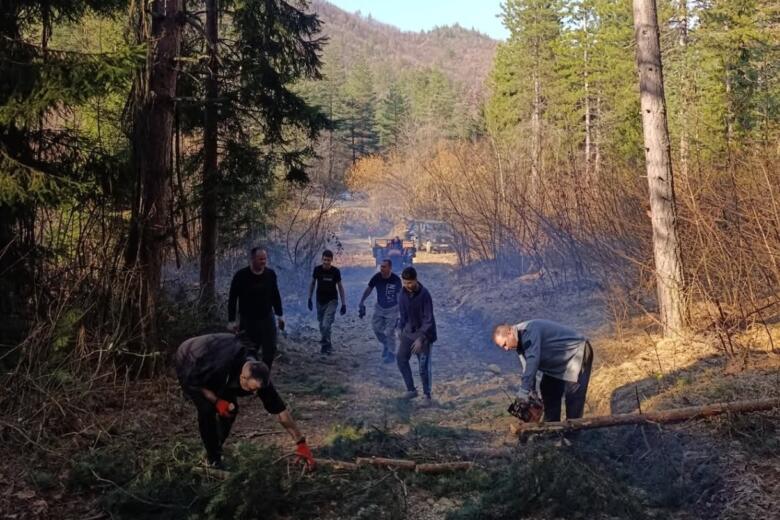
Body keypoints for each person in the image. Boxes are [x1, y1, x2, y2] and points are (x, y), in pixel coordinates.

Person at [175, 333, 315, 470]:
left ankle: (215, 447)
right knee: (207, 410)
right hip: (190, 360)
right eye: (251, 389)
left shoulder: (258, 374)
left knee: (231, 410)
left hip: (220, 367)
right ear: (242, 378)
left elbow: (280, 411)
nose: (254, 393)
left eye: (256, 390)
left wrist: (301, 443)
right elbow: (196, 383)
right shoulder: (219, 366)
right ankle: (213, 460)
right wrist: (217, 401)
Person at [492, 319, 594, 422]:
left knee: (573, 394)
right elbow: (527, 368)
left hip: (577, 352)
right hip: (558, 361)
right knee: (548, 388)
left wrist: (523, 391)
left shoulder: (528, 331)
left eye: (505, 344)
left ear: (509, 333)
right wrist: (531, 392)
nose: (506, 349)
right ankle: (552, 428)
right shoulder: (518, 344)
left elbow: (533, 361)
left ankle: (574, 431)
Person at [227, 247, 284, 369]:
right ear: (252, 259)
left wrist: (280, 315)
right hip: (248, 320)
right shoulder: (241, 276)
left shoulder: (270, 274)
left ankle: (265, 374)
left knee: (270, 349)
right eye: (260, 259)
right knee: (249, 350)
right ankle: (250, 375)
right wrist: (231, 320)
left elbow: (275, 295)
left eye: (265, 259)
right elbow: (232, 298)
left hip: (267, 318)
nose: (263, 262)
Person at [397, 266, 437, 406]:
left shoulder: (425, 294)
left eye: (410, 282)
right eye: (405, 282)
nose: (408, 286)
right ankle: (411, 390)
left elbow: (429, 320)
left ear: (416, 280)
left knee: (423, 366)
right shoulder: (402, 294)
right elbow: (402, 316)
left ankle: (427, 396)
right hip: (408, 333)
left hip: (424, 334)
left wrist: (421, 339)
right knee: (401, 359)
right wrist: (399, 329)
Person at [358, 258, 402, 363]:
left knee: (390, 331)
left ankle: (391, 354)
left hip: (393, 308)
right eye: (381, 266)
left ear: (390, 268)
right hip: (380, 307)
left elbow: (400, 295)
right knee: (376, 329)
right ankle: (386, 344)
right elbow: (369, 289)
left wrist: (401, 311)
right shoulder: (377, 277)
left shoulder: (396, 279)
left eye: (384, 267)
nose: (381, 268)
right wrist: (362, 301)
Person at [307, 250, 346, 354]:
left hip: (332, 301)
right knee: (321, 324)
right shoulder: (317, 270)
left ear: (331, 260)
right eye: (324, 260)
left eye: (328, 260)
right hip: (319, 301)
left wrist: (343, 304)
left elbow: (340, 287)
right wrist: (309, 298)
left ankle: (326, 345)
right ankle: (326, 342)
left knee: (326, 324)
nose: (326, 262)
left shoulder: (335, 271)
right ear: (322, 259)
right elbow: (312, 284)